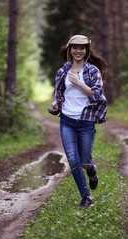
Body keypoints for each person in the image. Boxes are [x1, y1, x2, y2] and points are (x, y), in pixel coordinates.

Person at [48, 35, 108, 210]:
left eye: (82, 48)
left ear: (87, 50)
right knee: (73, 160)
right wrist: (56, 103)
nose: (78, 51)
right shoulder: (62, 72)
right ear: (69, 50)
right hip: (67, 120)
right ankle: (86, 197)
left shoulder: (92, 71)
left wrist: (79, 83)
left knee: (85, 162)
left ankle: (92, 173)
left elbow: (97, 95)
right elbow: (60, 94)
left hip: (86, 121)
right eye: (74, 47)